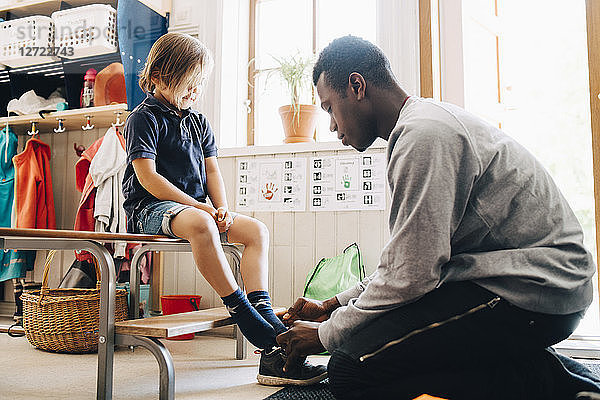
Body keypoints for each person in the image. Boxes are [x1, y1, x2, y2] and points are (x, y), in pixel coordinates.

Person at [277, 35, 600, 400]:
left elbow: (411, 276)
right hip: (517, 281)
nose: (333, 127)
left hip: (538, 289)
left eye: (329, 108)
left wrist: (325, 334)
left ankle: (550, 387)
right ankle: (555, 376)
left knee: (352, 368)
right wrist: (334, 304)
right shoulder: (421, 126)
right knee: (374, 344)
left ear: (357, 86)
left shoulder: (424, 136)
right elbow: (406, 260)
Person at [121, 32, 327, 386]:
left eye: (198, 85)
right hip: (151, 207)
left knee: (255, 230)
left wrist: (223, 208)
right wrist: (200, 207)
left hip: (195, 208)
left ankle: (262, 309)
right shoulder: (143, 118)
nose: (193, 92)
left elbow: (213, 171)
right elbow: (149, 178)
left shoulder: (198, 121)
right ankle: (245, 314)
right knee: (202, 223)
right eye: (186, 84)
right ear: (156, 77)